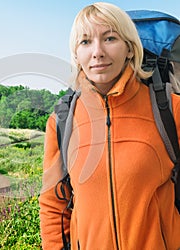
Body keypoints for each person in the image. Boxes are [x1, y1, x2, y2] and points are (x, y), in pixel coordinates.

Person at [39, 2, 180, 249]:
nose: (97, 52)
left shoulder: (170, 108)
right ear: (76, 54)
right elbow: (53, 204)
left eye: (110, 38)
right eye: (85, 42)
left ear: (129, 48)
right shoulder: (62, 121)